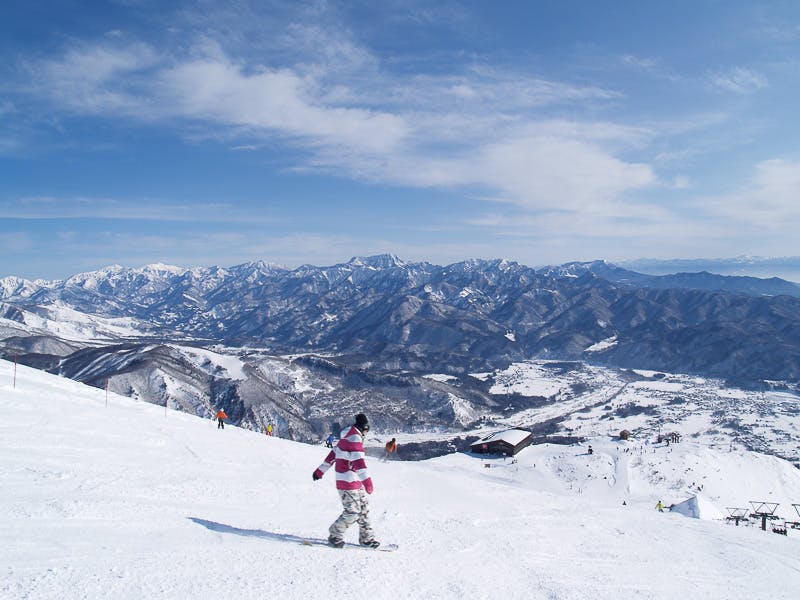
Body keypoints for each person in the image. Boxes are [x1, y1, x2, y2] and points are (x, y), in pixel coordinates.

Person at [312, 413, 379, 549]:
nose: (367, 433)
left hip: (355, 482)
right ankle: (335, 535)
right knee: (352, 512)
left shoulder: (348, 437)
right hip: (347, 483)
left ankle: (367, 538)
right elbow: (360, 464)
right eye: (367, 430)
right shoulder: (354, 439)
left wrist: (320, 471)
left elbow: (333, 455)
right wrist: (368, 482)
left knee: (363, 510)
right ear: (364, 428)